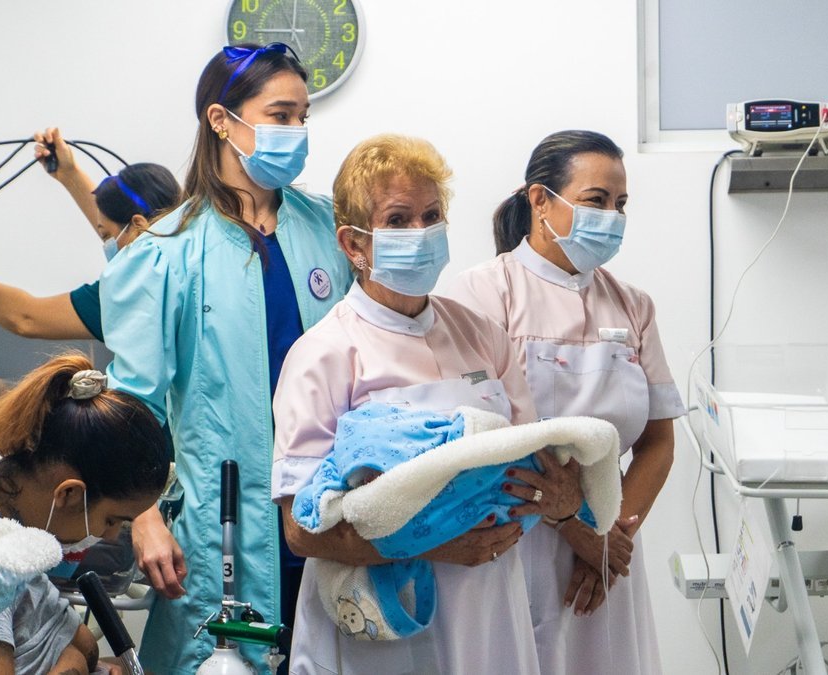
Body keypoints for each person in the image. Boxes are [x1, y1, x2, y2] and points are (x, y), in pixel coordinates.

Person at [271, 134, 584, 674]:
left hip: (491, 612)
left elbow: (543, 464)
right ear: (353, 244)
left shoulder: (482, 335)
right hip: (386, 621)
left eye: (431, 216)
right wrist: (433, 541)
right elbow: (300, 530)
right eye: (397, 220)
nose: (420, 233)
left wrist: (563, 499)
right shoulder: (322, 354)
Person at [99, 43, 352, 673]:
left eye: (303, 118)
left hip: (328, 508)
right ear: (221, 120)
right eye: (281, 114)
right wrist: (143, 516)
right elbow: (131, 407)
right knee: (227, 661)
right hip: (223, 523)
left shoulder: (329, 231)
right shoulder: (164, 252)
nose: (296, 132)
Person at [448, 130, 686, 674]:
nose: (612, 216)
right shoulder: (486, 293)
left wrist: (608, 536)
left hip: (607, 552)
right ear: (539, 200)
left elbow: (658, 441)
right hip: (513, 536)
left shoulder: (633, 306)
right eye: (596, 201)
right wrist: (571, 527)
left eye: (620, 204)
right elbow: (483, 436)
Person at [0, 353, 169, 675]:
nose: (111, 535)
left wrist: (74, 662)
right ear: (69, 493)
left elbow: (83, 644)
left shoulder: (13, 527)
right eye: (113, 519)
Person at [0, 138, 181, 342]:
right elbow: (118, 222)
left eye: (106, 236)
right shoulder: (190, 257)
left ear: (138, 226)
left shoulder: (132, 291)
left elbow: (25, 318)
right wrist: (70, 174)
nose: (109, 246)